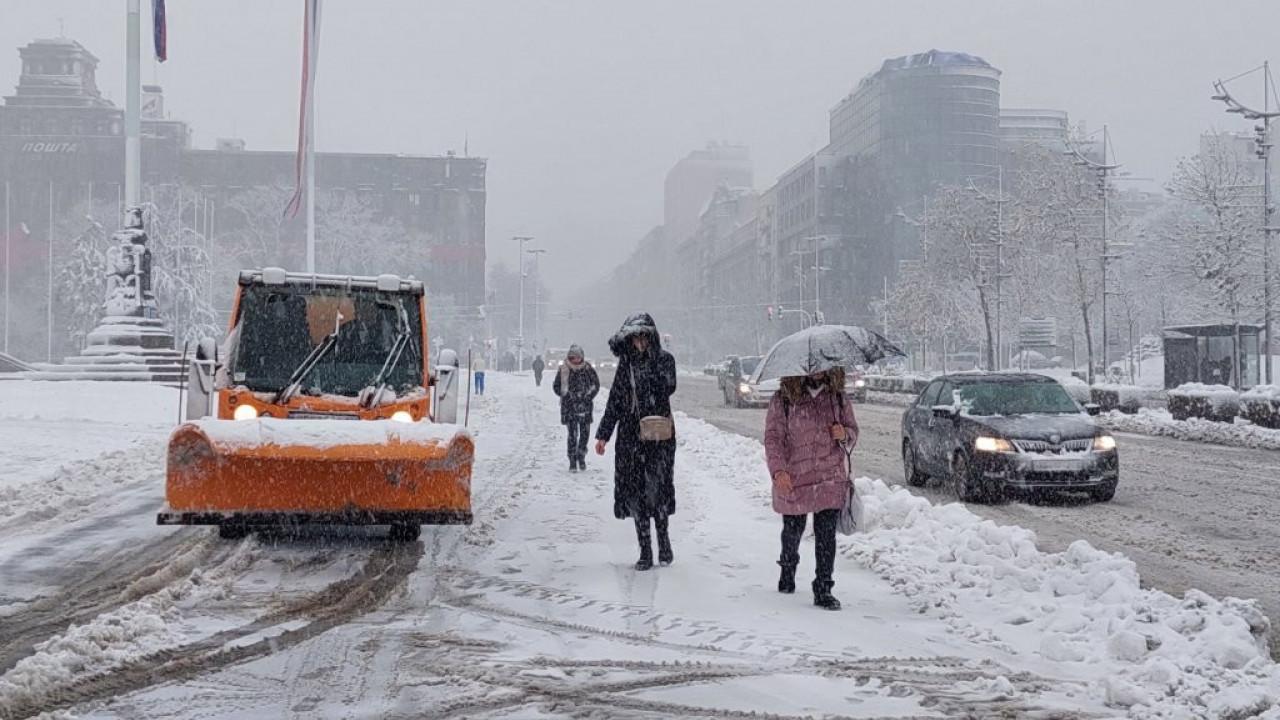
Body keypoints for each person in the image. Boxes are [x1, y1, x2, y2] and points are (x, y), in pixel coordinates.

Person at [763, 367, 859, 611]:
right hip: (795, 476)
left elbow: (852, 432)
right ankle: (788, 567)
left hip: (829, 477)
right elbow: (773, 438)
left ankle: (824, 587)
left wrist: (844, 433)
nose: (818, 371)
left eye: (823, 365)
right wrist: (778, 471)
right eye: (813, 366)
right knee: (792, 530)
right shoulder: (783, 398)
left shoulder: (837, 397)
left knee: (826, 535)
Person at [595, 313, 677, 571]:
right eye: (635, 337)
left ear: (651, 337)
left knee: (659, 491)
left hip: (658, 436)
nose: (639, 342)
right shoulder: (625, 366)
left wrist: (649, 367)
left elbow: (668, 387)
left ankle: (663, 540)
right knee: (637, 494)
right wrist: (603, 434)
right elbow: (615, 402)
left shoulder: (664, 361)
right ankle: (645, 550)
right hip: (631, 437)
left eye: (643, 336)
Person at [553, 345, 600, 472]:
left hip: (585, 407)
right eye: (573, 357)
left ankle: (581, 455)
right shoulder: (564, 369)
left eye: (578, 357)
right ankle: (572, 460)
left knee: (585, 435)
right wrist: (567, 395)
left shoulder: (588, 369)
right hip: (570, 408)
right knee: (572, 435)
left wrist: (588, 396)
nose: (576, 360)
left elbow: (596, 385)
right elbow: (556, 386)